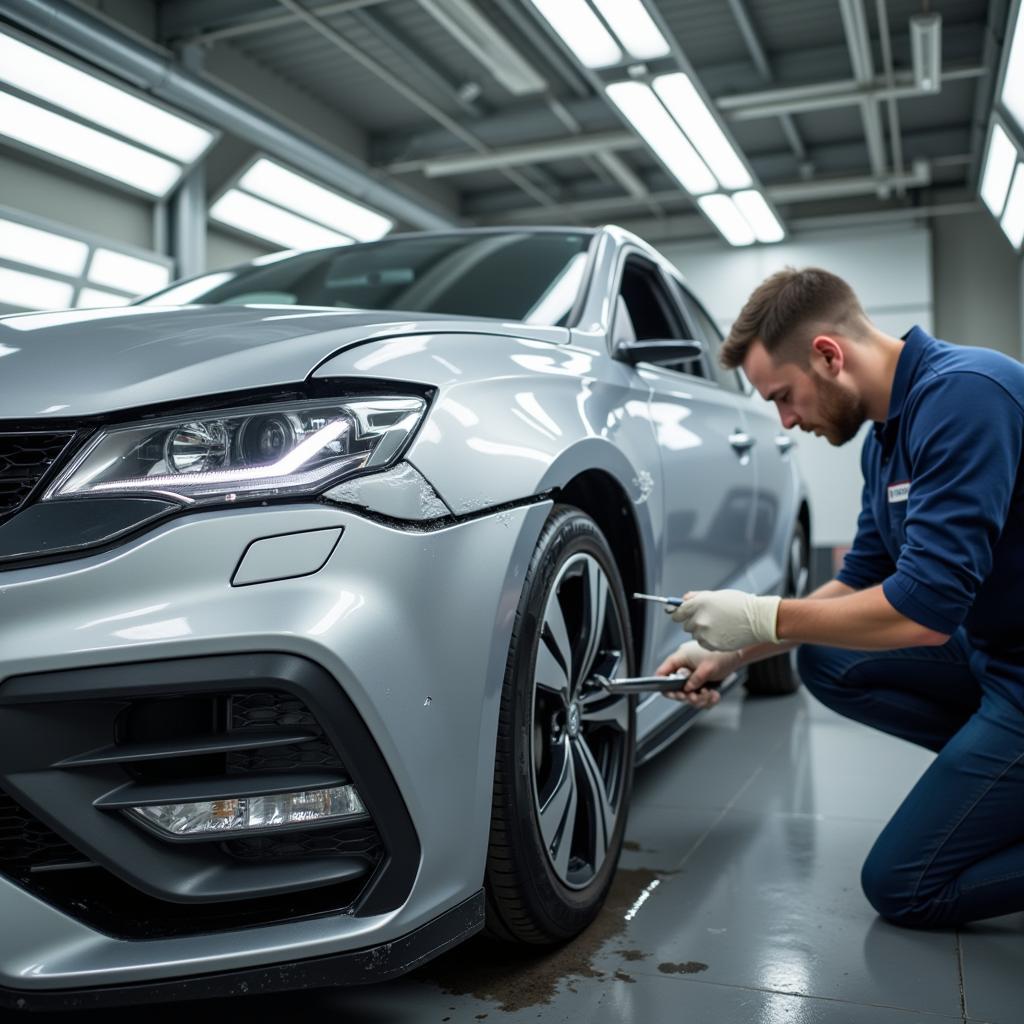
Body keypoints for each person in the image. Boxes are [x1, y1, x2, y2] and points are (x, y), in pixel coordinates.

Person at [655, 266, 1024, 929]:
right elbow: (860, 577)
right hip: (998, 653)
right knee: (825, 660)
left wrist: (755, 613)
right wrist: (735, 651)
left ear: (828, 355)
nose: (786, 420)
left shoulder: (967, 396)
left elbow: (922, 614)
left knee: (903, 886)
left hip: (1014, 673)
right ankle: (997, 780)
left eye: (784, 396)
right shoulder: (885, 443)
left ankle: (998, 779)